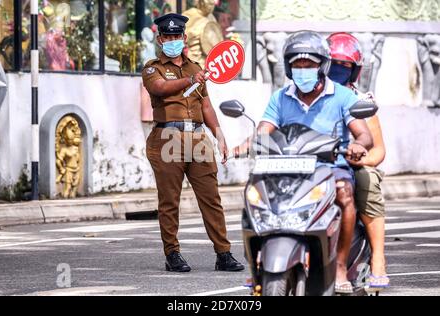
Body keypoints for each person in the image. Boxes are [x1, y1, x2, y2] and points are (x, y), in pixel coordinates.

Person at [233, 31, 373, 294]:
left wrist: (357, 144)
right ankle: (257, 266)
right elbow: (264, 129)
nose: (303, 71)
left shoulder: (341, 96)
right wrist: (245, 144)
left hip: (329, 167)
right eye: (298, 66)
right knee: (253, 195)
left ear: (322, 66)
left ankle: (340, 266)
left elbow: (364, 133)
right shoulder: (280, 97)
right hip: (286, 168)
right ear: (289, 67)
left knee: (344, 195)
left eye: (309, 65)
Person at [142, 13, 244, 273]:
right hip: (167, 137)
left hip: (198, 137)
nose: (173, 40)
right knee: (169, 201)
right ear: (160, 38)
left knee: (211, 198)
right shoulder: (152, 68)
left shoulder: (196, 67)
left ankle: (223, 253)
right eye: (168, 36)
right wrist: (189, 81)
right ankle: (172, 254)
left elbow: (206, 105)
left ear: (184, 38)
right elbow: (161, 89)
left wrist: (219, 136)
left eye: (177, 36)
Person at [327, 32, 389, 289]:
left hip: (349, 165)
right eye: (333, 63)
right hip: (316, 165)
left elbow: (378, 151)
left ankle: (378, 258)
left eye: (345, 66)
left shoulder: (362, 101)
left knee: (366, 180)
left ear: (355, 71)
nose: (338, 70)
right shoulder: (307, 97)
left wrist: (358, 160)